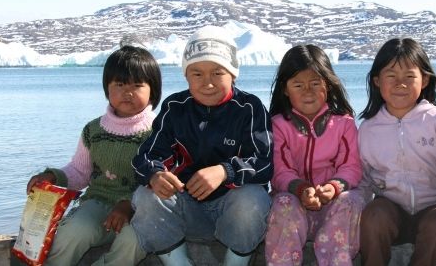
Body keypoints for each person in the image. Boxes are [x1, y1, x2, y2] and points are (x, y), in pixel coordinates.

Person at [130, 26, 273, 266]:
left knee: (253, 199)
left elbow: (265, 163)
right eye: (197, 74)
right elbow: (145, 157)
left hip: (231, 211)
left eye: (217, 73)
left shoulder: (250, 108)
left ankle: (234, 262)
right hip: (185, 209)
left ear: (233, 74)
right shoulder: (175, 107)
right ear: (186, 76)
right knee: (145, 196)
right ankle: (179, 262)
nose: (207, 82)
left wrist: (224, 171)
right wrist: (155, 174)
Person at [24, 45, 162, 265]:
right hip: (97, 203)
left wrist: (129, 205)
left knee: (133, 243)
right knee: (73, 232)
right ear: (107, 89)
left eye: (137, 85)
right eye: (119, 85)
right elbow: (79, 172)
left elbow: (160, 183)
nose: (128, 92)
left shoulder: (159, 131)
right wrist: (52, 177)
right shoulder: (93, 130)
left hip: (142, 211)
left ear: (152, 90)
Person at [358, 37, 436, 266]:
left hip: (435, 208)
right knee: (374, 216)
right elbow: (364, 179)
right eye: (391, 75)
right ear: (377, 80)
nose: (400, 83)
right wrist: (355, 213)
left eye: (409, 76)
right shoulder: (368, 129)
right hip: (391, 209)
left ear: (424, 80)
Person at [265, 45, 364, 266]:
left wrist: (334, 187)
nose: (307, 91)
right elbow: (279, 170)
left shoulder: (344, 124)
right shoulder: (278, 125)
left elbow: (352, 167)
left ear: (327, 86)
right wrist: (300, 189)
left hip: (333, 205)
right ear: (285, 89)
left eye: (315, 83)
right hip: (295, 202)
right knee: (282, 202)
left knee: (352, 199)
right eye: (298, 85)